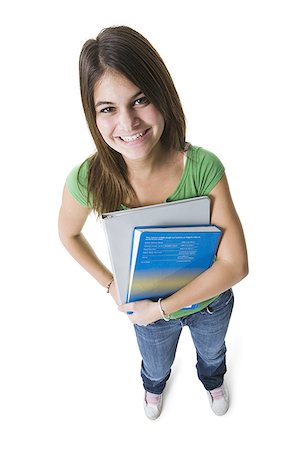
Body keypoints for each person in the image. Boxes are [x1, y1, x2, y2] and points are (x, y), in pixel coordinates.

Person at [58, 25, 248, 420]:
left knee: (213, 352)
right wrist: (112, 286)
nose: (127, 124)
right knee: (155, 364)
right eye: (107, 108)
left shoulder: (202, 167)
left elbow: (235, 265)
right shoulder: (88, 179)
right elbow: (68, 233)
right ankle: (153, 389)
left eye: (139, 100)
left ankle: (213, 381)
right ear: (93, 116)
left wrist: (164, 309)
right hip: (144, 311)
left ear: (162, 95)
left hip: (209, 306)